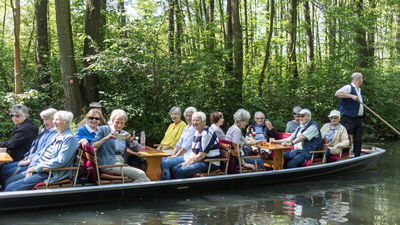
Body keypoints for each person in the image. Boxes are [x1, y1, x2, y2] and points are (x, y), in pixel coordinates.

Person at [5, 111, 78, 191]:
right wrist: (32, 166)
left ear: (67, 122)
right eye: (54, 119)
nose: (54, 122)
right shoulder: (57, 135)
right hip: (40, 168)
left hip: (50, 173)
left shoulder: (69, 138)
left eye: (57, 120)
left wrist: (37, 168)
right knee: (9, 181)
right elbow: (40, 153)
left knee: (11, 188)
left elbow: (60, 161)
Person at [1, 108, 58, 187]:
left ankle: (6, 194)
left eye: (17, 115)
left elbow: (42, 152)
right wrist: (27, 156)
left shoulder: (53, 134)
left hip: (37, 165)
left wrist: (30, 163)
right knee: (4, 168)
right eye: (12, 115)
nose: (44, 123)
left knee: (7, 177)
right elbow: (35, 146)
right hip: (29, 159)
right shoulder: (45, 131)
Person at [91, 109, 150, 183]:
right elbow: (93, 147)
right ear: (112, 121)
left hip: (122, 164)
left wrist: (131, 140)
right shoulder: (104, 130)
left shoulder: (123, 133)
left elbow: (137, 149)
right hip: (108, 164)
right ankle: (128, 193)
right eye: (117, 122)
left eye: (122, 123)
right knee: (141, 175)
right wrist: (106, 138)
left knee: (148, 180)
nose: (119, 125)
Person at [172, 112, 220, 178]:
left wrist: (190, 163)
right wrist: (188, 161)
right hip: (201, 160)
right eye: (193, 120)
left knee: (181, 171)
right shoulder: (197, 132)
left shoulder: (206, 133)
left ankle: (181, 188)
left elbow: (201, 155)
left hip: (210, 163)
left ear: (204, 121)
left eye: (197, 120)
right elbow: (193, 151)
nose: (194, 122)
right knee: (175, 168)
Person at [161, 107, 197, 180]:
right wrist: (173, 154)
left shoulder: (194, 128)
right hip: (180, 154)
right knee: (161, 160)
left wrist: (175, 155)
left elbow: (186, 146)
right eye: (186, 116)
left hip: (187, 155)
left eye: (190, 116)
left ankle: (165, 184)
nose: (188, 118)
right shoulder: (186, 127)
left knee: (164, 163)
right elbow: (179, 143)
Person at [335, 72, 365, 157]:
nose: (362, 80)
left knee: (358, 139)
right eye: (362, 78)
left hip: (358, 119)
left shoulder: (358, 89)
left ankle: (357, 156)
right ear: (358, 79)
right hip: (349, 119)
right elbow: (337, 93)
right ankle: (343, 156)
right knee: (346, 138)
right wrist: (351, 96)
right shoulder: (348, 87)